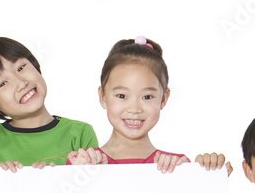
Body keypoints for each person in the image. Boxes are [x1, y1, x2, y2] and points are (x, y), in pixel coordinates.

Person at [68, 37, 230, 173]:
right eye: (122, 96)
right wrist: (79, 173)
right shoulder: (82, 161)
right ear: (103, 97)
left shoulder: (178, 165)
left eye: (147, 96)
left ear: (163, 99)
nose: (134, 109)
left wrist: (208, 171)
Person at [0, 36, 98, 168]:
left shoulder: (80, 133)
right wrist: (3, 178)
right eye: (3, 83)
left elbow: (96, 185)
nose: (21, 83)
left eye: (21, 68)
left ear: (36, 66)